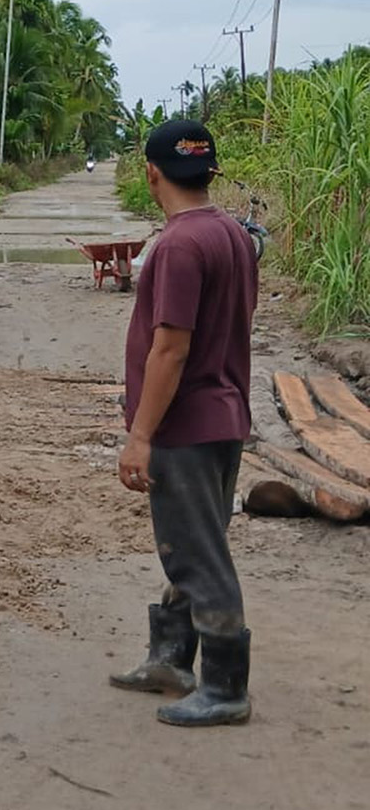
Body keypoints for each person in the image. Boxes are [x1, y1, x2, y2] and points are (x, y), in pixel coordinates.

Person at [111, 118, 257, 727]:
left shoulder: (176, 246)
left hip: (187, 425)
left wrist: (140, 435)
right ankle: (170, 657)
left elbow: (170, 348)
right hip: (225, 414)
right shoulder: (233, 234)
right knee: (199, 540)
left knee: (197, 554)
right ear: (210, 171)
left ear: (152, 173)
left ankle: (224, 689)